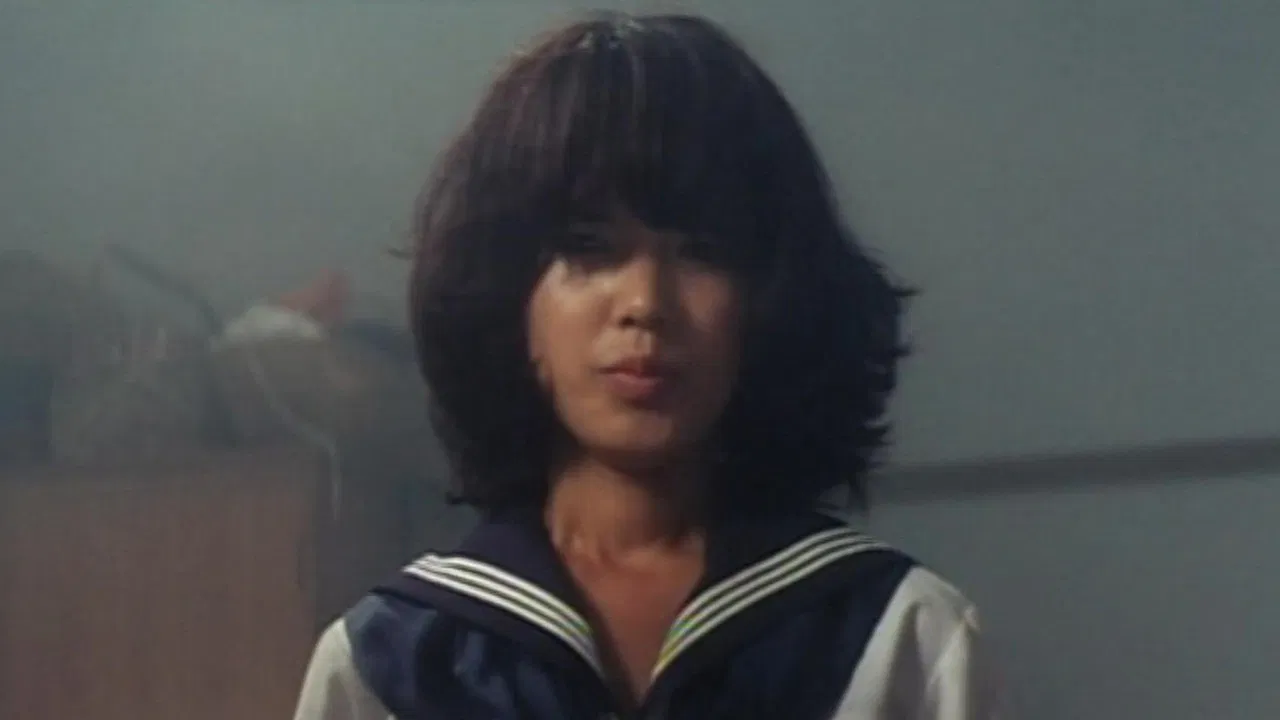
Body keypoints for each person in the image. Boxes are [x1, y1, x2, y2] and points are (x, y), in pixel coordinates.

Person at [293, 12, 1005, 720]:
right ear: (509, 295)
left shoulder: (899, 642)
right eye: (589, 247)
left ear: (770, 296)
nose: (645, 304)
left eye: (702, 251)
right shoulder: (393, 665)